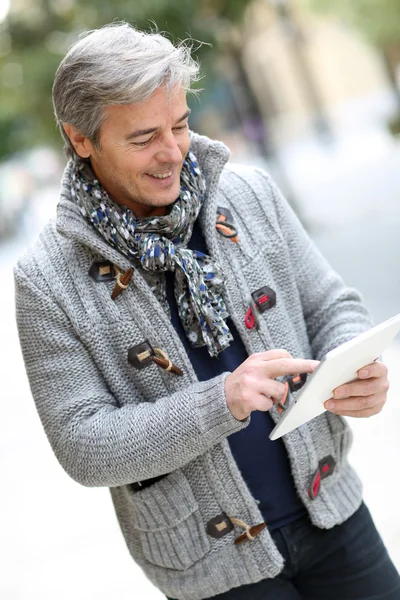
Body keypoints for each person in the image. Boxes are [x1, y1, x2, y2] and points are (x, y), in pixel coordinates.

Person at [14, 22, 399, 600]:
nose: (172, 152)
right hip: (211, 568)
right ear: (81, 138)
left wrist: (355, 368)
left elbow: (331, 305)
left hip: (332, 509)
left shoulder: (250, 193)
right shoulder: (44, 280)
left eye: (181, 125)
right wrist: (219, 402)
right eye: (144, 138)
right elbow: (83, 445)